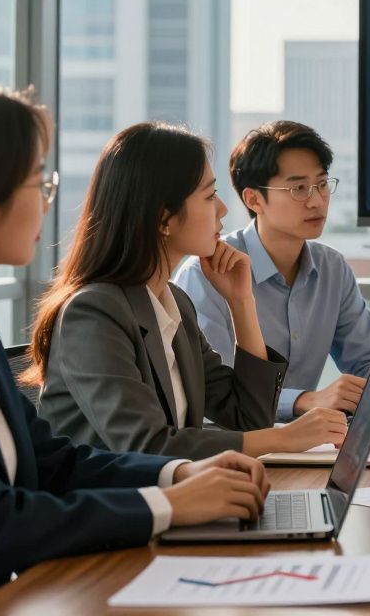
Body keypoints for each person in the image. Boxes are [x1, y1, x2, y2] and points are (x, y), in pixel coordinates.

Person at [0, 83, 272, 613]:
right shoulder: (85, 311)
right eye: (38, 182)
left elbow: (56, 462)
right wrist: (168, 504)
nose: (47, 200)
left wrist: (178, 475)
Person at [32, 123, 348, 458]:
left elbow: (249, 419)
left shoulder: (174, 304)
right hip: (115, 493)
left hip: (178, 489)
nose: (223, 209)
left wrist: (241, 302)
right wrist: (283, 439)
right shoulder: (94, 313)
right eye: (210, 196)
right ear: (163, 219)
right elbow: (147, 445)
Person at [174, 121, 370, 422]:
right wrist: (303, 400)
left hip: (311, 439)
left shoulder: (333, 269)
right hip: (233, 441)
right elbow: (215, 394)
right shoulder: (207, 273)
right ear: (253, 199)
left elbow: (368, 362)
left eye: (322, 184)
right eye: (299, 188)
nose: (316, 201)